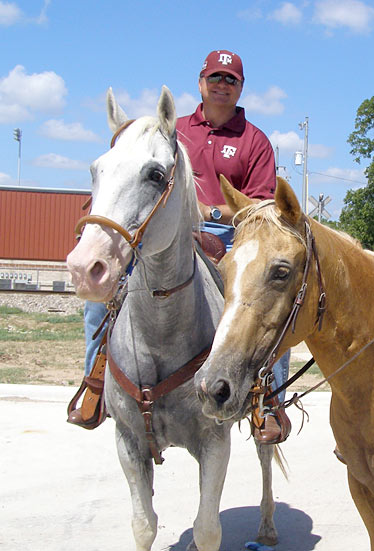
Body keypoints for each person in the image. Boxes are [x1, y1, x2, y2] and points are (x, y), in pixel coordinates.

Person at [71, 50, 291, 443]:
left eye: (231, 80)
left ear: (241, 88)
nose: (222, 85)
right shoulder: (173, 129)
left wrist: (213, 212)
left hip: (227, 236)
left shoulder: (254, 141)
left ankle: (267, 399)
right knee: (103, 295)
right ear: (201, 82)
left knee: (268, 304)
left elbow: (261, 205)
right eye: (215, 78)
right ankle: (95, 381)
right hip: (168, 232)